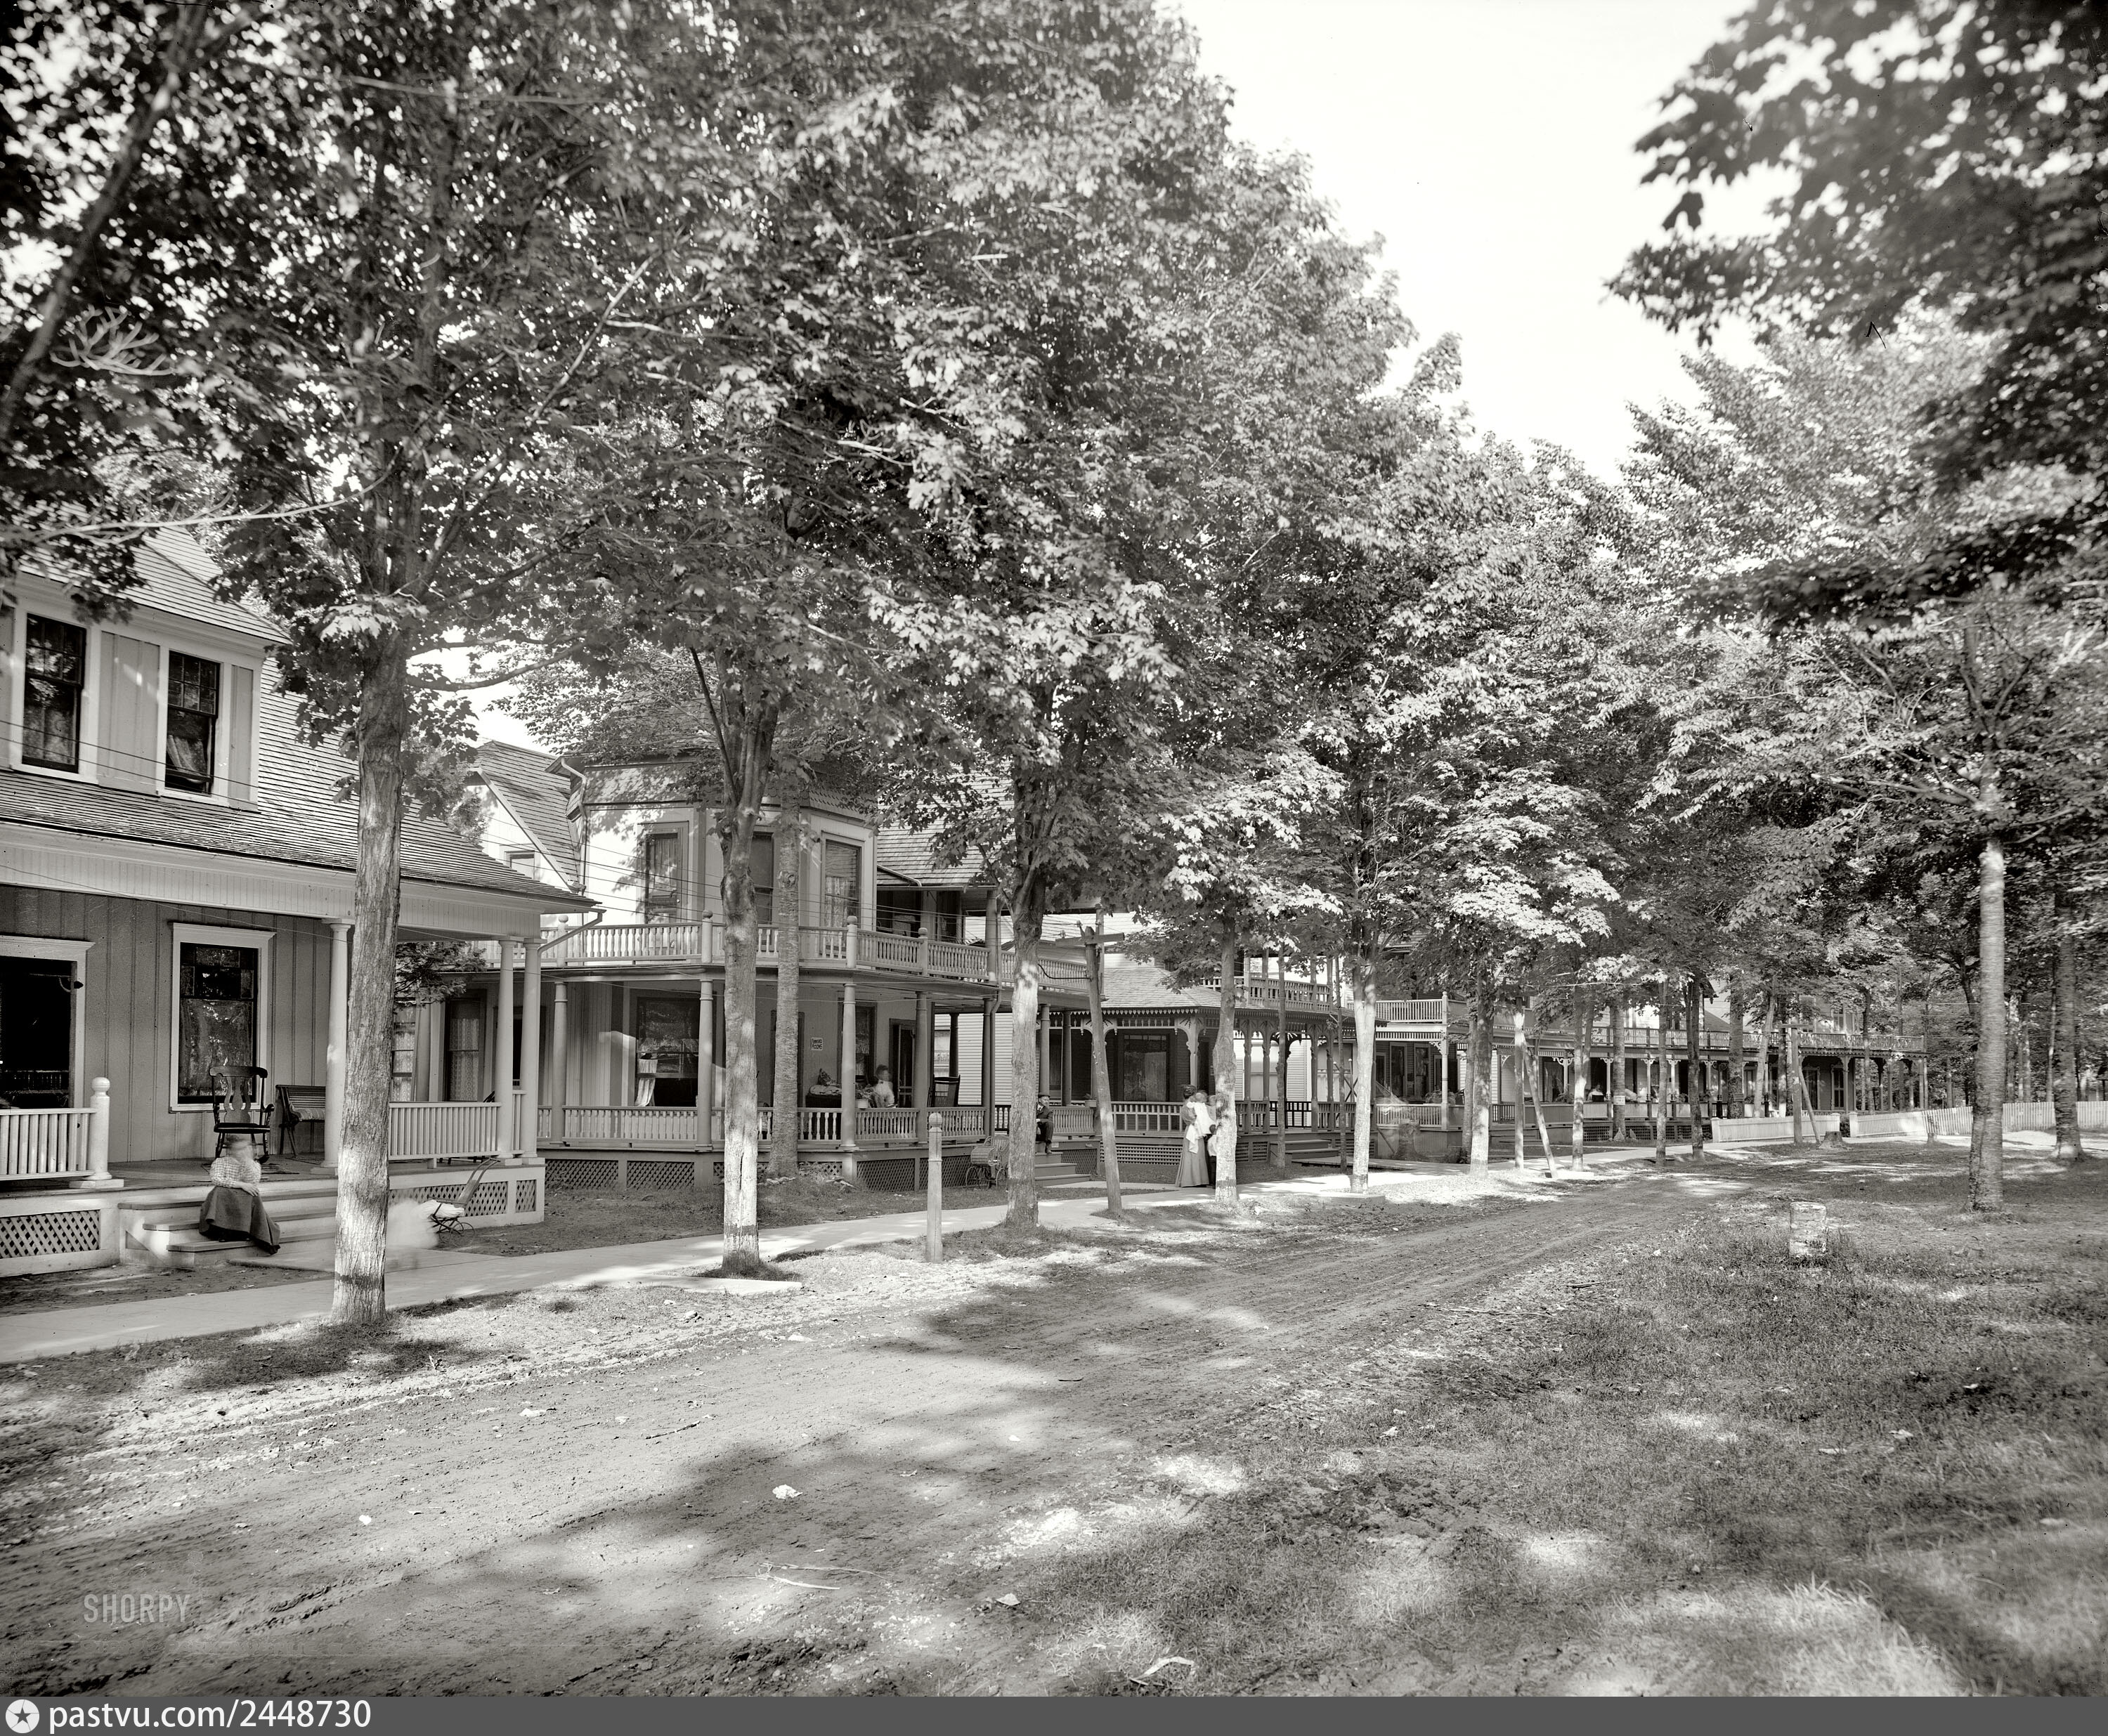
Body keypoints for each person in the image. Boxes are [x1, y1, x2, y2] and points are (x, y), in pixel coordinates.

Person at [1176, 1088, 1212, 1189]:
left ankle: (1200, 1180)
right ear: (1191, 1096)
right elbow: (1192, 1120)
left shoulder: (1195, 1106)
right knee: (1192, 1155)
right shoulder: (1186, 1107)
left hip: (1198, 1130)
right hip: (1192, 1131)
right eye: (1194, 1096)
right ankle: (1190, 1181)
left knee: (1199, 1155)